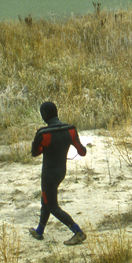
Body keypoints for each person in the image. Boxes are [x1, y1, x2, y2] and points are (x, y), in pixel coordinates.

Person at [29, 101, 88, 245]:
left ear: (44, 116)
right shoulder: (71, 129)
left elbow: (35, 153)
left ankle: (78, 232)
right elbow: (82, 152)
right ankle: (39, 231)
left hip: (48, 174)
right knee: (46, 201)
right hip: (61, 172)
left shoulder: (43, 133)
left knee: (52, 206)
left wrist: (47, 147)